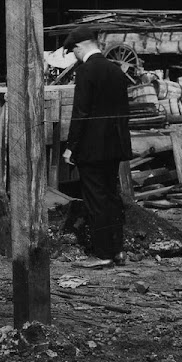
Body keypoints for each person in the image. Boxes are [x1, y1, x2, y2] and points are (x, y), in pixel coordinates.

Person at [61, 25, 131, 268]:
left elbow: (80, 113)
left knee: (95, 200)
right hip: (114, 146)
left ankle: (102, 254)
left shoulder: (86, 72)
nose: (75, 56)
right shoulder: (116, 71)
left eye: (73, 51)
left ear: (80, 47)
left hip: (92, 148)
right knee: (111, 197)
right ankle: (117, 249)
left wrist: (71, 146)